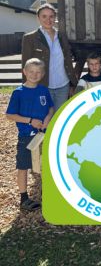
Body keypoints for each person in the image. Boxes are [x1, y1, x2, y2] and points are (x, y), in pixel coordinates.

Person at [6, 58, 54, 211]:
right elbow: (10, 115)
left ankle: (49, 194)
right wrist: (30, 120)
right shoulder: (18, 92)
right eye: (31, 71)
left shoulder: (43, 90)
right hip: (26, 136)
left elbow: (51, 108)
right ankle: (24, 198)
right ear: (24, 72)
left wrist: (47, 118)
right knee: (23, 167)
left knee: (45, 165)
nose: (34, 74)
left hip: (44, 135)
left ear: (43, 74)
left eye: (38, 72)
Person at [21, 3, 77, 111]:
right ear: (38, 18)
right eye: (44, 16)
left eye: (51, 16)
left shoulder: (62, 36)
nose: (48, 20)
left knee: (60, 117)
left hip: (63, 85)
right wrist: (26, 89)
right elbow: (25, 66)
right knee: (44, 119)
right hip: (42, 86)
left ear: (55, 17)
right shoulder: (30, 38)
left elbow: (68, 61)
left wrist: (72, 83)